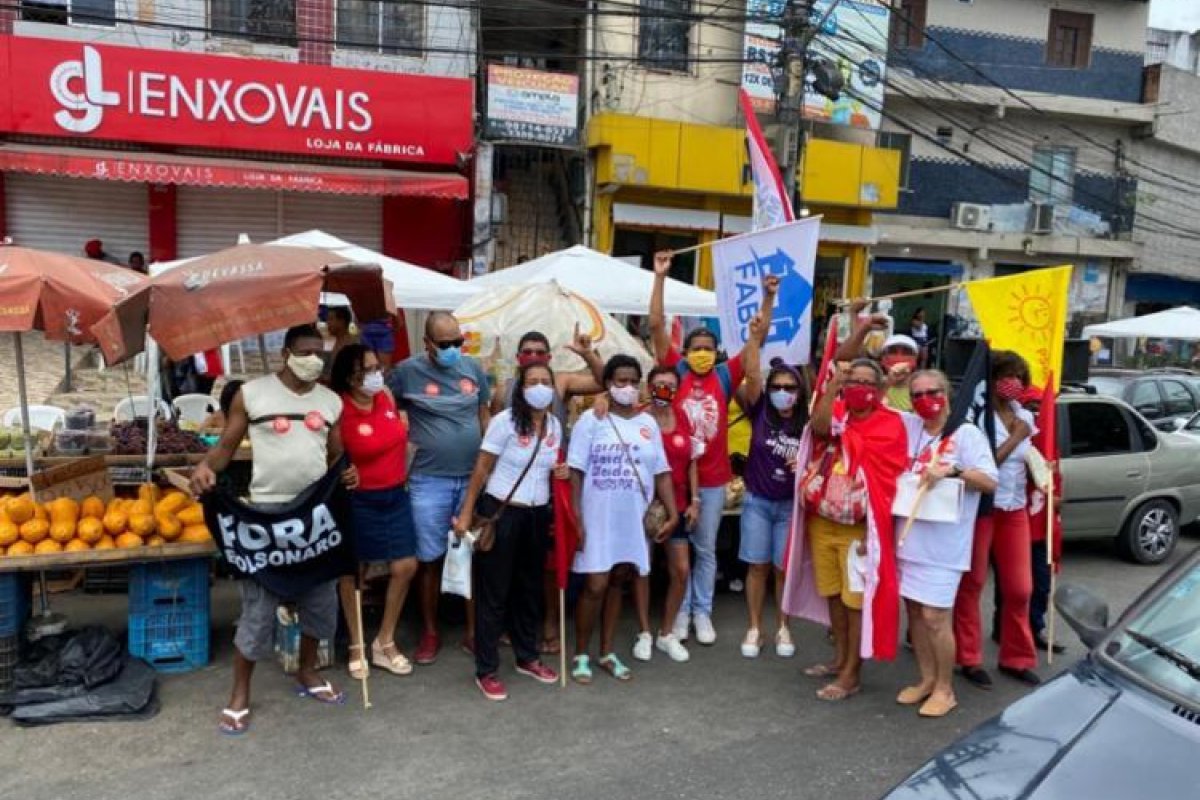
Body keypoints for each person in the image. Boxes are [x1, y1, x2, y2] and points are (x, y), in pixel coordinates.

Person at [190, 324, 357, 735]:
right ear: (285, 353)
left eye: (321, 352)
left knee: (320, 604)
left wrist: (348, 474)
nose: (315, 359)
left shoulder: (331, 401)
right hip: (267, 518)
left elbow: (336, 455)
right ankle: (240, 692)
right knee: (259, 609)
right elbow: (227, 447)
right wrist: (204, 468)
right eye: (306, 351)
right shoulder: (253, 394)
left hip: (315, 518)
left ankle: (307, 671)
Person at [649, 250, 769, 646]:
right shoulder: (675, 371)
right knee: (678, 550)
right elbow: (654, 325)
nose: (700, 351)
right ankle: (679, 613)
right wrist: (660, 278)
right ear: (685, 352)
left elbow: (758, 340)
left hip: (714, 480)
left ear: (716, 351)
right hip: (675, 480)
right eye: (695, 346)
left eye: (707, 346)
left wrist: (766, 302)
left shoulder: (724, 375)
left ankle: (702, 612)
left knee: (706, 549)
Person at [490, 328, 606, 655]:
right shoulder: (504, 390)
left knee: (552, 562)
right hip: (515, 490)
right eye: (528, 352)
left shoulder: (562, 382)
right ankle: (514, 624)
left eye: (541, 352)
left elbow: (602, 380)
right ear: (518, 358)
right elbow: (493, 441)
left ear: (549, 358)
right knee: (515, 562)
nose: (534, 357)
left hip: (556, 484)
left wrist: (587, 354)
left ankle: (551, 624)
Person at [798, 358, 907, 701]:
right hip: (823, 521)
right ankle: (840, 659)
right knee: (833, 595)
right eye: (852, 381)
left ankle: (852, 674)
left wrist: (850, 439)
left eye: (866, 383)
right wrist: (833, 386)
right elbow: (817, 427)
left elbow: (888, 473)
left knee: (855, 602)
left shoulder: (891, 424)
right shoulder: (838, 412)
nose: (859, 387)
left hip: (859, 529)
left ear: (878, 390)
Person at [454, 362, 563, 700]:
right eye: (533, 381)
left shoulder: (555, 426)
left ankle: (527, 656)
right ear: (521, 387)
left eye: (546, 381)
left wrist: (560, 474)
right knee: (494, 593)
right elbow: (482, 469)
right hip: (501, 514)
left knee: (529, 589)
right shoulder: (504, 423)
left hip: (536, 515)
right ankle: (486, 669)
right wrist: (467, 512)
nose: (540, 387)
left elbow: (548, 470)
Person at [387, 311, 491, 665]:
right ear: (427, 344)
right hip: (428, 480)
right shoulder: (406, 373)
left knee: (472, 556)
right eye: (444, 344)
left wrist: (488, 466)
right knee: (428, 560)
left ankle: (474, 632)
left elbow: (484, 416)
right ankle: (430, 632)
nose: (453, 350)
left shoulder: (473, 369)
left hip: (472, 477)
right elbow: (386, 409)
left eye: (458, 342)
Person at [568, 355, 678, 684]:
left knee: (619, 579)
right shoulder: (591, 420)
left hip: (632, 517)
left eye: (633, 381)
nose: (627, 387)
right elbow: (575, 471)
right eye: (620, 381)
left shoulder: (648, 425)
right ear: (608, 384)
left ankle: (606, 651)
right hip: (597, 516)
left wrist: (673, 512)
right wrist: (576, 517)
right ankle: (582, 653)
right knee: (595, 584)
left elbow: (662, 473)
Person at [894, 370, 997, 718]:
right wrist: (891, 379)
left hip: (945, 545)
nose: (925, 399)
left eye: (932, 391)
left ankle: (945, 688)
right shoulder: (910, 427)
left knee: (936, 616)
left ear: (947, 394)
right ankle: (926, 679)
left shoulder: (967, 434)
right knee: (915, 615)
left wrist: (953, 472)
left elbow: (989, 481)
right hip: (909, 540)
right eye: (917, 393)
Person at [330, 344, 418, 681]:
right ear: (350, 376)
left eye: (375, 366)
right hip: (359, 499)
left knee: (405, 565)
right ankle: (355, 642)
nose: (374, 374)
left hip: (396, 494)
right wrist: (342, 472)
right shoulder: (340, 408)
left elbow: (399, 435)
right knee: (354, 571)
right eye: (366, 369)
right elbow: (333, 456)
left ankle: (385, 639)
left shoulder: (387, 399)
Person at [954, 351, 1041, 689]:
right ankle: (968, 657)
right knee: (972, 584)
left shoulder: (1024, 415)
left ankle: (1016, 657)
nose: (1014, 383)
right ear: (991, 380)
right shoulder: (976, 418)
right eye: (1007, 375)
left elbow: (1027, 460)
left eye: (1020, 376)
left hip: (1014, 509)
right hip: (981, 509)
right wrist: (1017, 437)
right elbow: (986, 465)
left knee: (1020, 589)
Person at [737, 357, 807, 660]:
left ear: (800, 390)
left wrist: (805, 465)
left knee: (783, 569)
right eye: (776, 386)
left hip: (790, 504)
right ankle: (754, 628)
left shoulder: (807, 422)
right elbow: (750, 371)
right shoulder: (760, 410)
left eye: (789, 387)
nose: (782, 391)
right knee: (756, 566)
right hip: (758, 501)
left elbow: (823, 455)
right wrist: (756, 334)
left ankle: (783, 626)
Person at [631, 366, 698, 664]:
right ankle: (644, 632)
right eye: (658, 384)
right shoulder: (637, 417)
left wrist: (695, 500)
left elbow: (692, 461)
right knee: (642, 569)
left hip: (679, 504)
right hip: (642, 504)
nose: (664, 390)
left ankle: (666, 632)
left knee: (681, 570)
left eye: (670, 385)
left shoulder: (682, 417)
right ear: (648, 386)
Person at [880, 334, 920, 412]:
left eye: (906, 352)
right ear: (883, 359)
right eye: (892, 352)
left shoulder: (922, 389)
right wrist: (888, 383)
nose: (899, 357)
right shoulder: (873, 385)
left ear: (915, 360)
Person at [322, 307, 359, 381]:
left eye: (331, 319)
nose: (327, 323)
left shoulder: (352, 343)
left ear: (341, 321)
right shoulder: (337, 341)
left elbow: (349, 373)